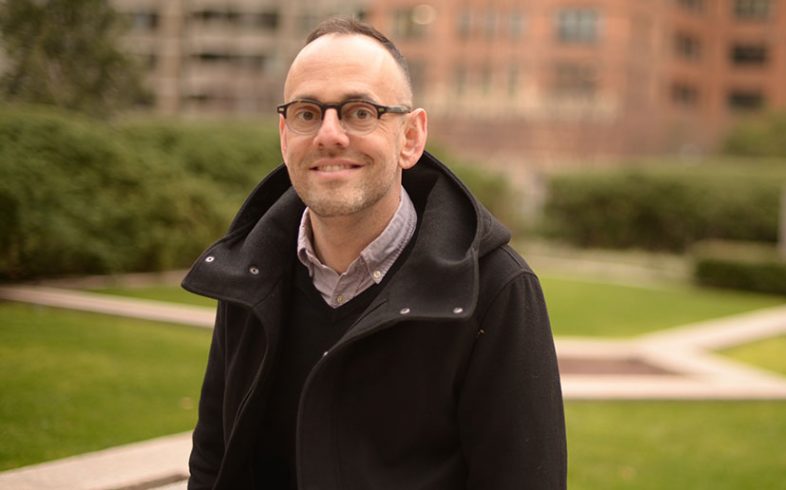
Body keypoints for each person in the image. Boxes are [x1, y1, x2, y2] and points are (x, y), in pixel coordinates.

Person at [181, 16, 566, 490]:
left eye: (360, 112)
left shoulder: (495, 291)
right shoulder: (250, 272)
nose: (329, 134)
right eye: (306, 113)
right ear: (285, 137)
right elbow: (213, 467)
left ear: (411, 138)